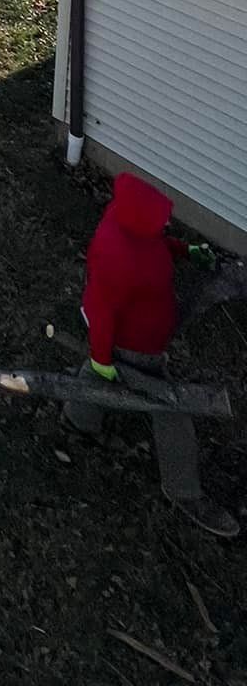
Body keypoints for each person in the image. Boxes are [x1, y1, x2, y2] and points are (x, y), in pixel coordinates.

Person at [66, 171, 239, 539]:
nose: (165, 223)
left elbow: (158, 244)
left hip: (150, 335)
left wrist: (185, 251)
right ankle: (183, 490)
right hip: (134, 344)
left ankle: (78, 418)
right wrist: (101, 355)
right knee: (169, 409)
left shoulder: (132, 226)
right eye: (161, 220)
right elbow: (101, 310)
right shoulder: (116, 255)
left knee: (103, 378)